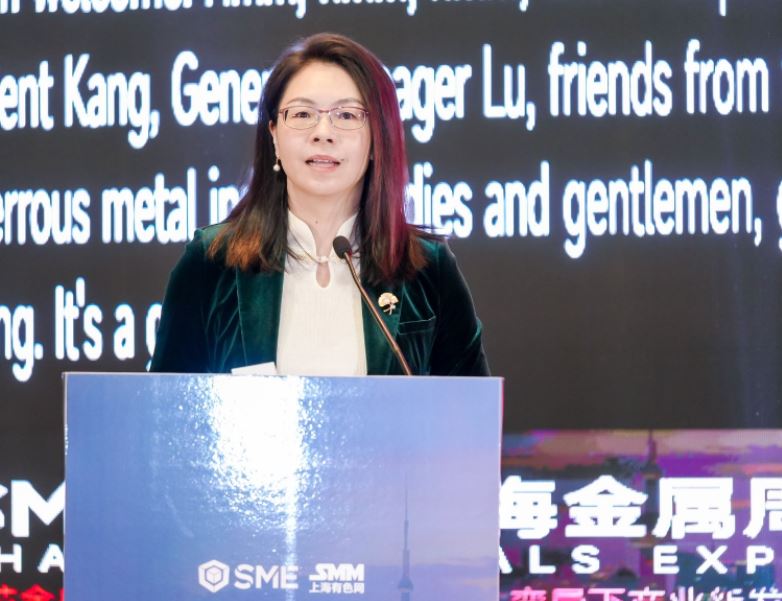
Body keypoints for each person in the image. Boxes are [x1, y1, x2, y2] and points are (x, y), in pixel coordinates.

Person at [150, 33, 488, 376]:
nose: (323, 132)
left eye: (346, 115)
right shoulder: (211, 264)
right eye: (302, 114)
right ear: (274, 135)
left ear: (377, 138)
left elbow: (471, 405)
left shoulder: (428, 270)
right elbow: (164, 404)